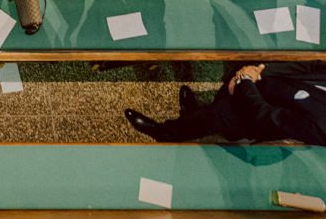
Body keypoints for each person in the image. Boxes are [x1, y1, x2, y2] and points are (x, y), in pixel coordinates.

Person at [125, 62, 326, 145]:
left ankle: (164, 133)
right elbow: (310, 67)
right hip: (264, 81)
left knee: (219, 115)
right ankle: (194, 115)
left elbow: (264, 116)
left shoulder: (322, 126)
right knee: (216, 105)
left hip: (252, 113)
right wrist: (260, 69)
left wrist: (244, 82)